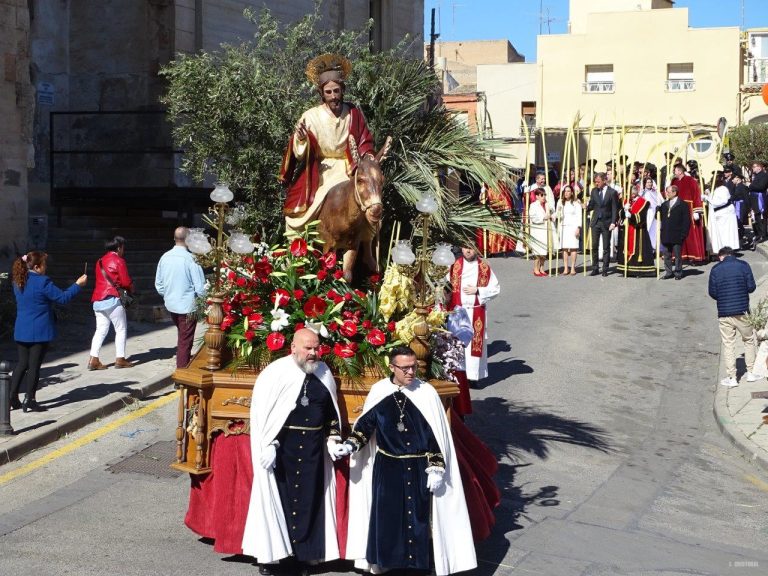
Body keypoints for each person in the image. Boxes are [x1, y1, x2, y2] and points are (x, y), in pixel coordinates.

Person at [340, 346, 476, 576]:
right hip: (388, 468)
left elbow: (436, 436)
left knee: (418, 518)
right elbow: (365, 427)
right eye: (405, 368)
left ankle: (416, 567)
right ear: (391, 367)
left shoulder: (426, 393)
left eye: (413, 367)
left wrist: (436, 468)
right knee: (389, 518)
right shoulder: (380, 391)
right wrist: (350, 445)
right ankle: (387, 563)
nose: (411, 372)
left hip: (418, 468)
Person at [241, 328, 343, 575]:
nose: (313, 353)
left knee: (309, 503)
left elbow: (331, 413)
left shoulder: (324, 372)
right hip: (282, 452)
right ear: (293, 348)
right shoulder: (275, 373)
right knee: (281, 501)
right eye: (308, 348)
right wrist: (270, 445)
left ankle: (304, 556)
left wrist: (333, 438)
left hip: (313, 452)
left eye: (317, 348)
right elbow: (267, 417)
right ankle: (273, 556)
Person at [279, 53, 375, 232]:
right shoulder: (311, 116)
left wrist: (367, 155)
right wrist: (300, 139)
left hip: (350, 167)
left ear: (343, 90)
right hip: (322, 170)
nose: (333, 96)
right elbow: (299, 154)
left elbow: (364, 140)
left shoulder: (353, 113)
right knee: (313, 202)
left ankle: (366, 240)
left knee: (369, 198)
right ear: (321, 94)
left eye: (336, 91)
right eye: (328, 92)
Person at [9, 252, 87, 412]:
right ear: (37, 267)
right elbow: (63, 298)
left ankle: (12, 397)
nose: (46, 268)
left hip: (22, 329)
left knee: (22, 364)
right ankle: (30, 399)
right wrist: (78, 284)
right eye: (44, 265)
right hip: (39, 331)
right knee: (34, 366)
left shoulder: (18, 280)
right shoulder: (43, 282)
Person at [708, 247, 762, 387]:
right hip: (742, 311)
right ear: (733, 255)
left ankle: (732, 378)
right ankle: (750, 373)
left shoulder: (715, 269)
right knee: (749, 340)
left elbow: (712, 292)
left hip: (724, 313)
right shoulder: (743, 266)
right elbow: (751, 287)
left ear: (721, 256)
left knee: (728, 344)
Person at [447, 245, 500, 386]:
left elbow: (495, 288)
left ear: (476, 249)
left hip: (475, 311)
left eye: (471, 248)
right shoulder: (454, 265)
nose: (468, 251)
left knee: (473, 346)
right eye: (465, 248)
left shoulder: (484, 266)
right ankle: (458, 375)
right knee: (458, 343)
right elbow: (444, 284)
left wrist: (478, 290)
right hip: (458, 311)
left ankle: (472, 377)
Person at [155, 227, 206, 368]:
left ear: (174, 238)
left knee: (183, 338)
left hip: (172, 304)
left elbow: (159, 285)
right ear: (188, 240)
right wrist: (205, 304)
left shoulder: (164, 257)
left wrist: (169, 296)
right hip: (187, 306)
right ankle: (181, 373)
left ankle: (184, 366)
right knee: (185, 341)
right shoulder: (191, 259)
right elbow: (201, 288)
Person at [89, 236, 134, 370]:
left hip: (98, 299)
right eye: (122, 247)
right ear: (119, 247)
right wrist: (132, 288)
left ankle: (93, 359)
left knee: (100, 330)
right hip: (113, 299)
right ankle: (120, 359)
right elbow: (125, 282)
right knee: (120, 329)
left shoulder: (99, 261)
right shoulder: (119, 261)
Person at [617, 184, 656, 277]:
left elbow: (642, 217)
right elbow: (620, 214)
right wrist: (623, 210)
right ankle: (627, 269)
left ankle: (639, 271)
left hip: (639, 230)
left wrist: (631, 215)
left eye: (632, 194)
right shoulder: (626, 201)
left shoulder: (644, 202)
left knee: (638, 250)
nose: (631, 196)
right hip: (627, 229)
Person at [586, 172, 620, 276]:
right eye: (595, 182)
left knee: (606, 247)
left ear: (604, 181)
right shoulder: (594, 191)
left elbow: (615, 208)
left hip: (607, 222)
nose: (596, 184)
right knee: (594, 246)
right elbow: (592, 205)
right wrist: (586, 207)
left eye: (598, 182)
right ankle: (595, 268)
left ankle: (605, 268)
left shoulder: (612, 192)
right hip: (596, 222)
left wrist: (613, 222)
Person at [671, 163, 706, 263]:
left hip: (689, 208)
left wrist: (696, 210)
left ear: (680, 171)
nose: (674, 172)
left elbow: (696, 194)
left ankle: (695, 256)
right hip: (677, 209)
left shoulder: (690, 180)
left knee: (691, 233)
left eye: (675, 170)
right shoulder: (674, 181)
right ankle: (681, 256)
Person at [657, 185, 690, 280]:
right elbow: (660, 218)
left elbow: (686, 221)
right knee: (666, 255)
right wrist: (657, 211)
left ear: (674, 192)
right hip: (666, 233)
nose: (666, 193)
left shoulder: (682, 204)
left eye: (668, 192)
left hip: (677, 234)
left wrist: (684, 233)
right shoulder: (664, 204)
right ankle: (668, 272)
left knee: (677, 255)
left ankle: (678, 272)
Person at [703, 172, 739, 256]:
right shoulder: (716, 189)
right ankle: (721, 250)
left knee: (726, 234)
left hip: (725, 214)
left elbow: (722, 201)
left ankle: (727, 251)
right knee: (720, 234)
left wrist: (708, 198)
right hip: (719, 214)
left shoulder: (723, 189)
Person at [555, 184, 582, 275]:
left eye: (568, 191)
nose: (566, 193)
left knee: (573, 248)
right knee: (565, 248)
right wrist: (555, 213)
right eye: (565, 191)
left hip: (573, 227)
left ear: (572, 193)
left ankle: (573, 267)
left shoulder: (576, 203)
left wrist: (578, 227)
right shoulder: (560, 202)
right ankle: (566, 268)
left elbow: (579, 216)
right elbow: (557, 215)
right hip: (564, 227)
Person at [528, 188, 555, 276]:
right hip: (538, 230)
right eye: (541, 195)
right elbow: (533, 218)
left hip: (546, 229)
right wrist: (543, 218)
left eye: (544, 195)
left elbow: (552, 213)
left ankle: (542, 268)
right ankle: (536, 269)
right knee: (538, 252)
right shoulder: (533, 205)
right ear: (537, 196)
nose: (543, 197)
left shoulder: (547, 205)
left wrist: (551, 216)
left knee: (544, 251)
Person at [748, 160, 768, 243]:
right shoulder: (756, 176)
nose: (753, 169)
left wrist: (751, 186)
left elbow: (761, 187)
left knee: (761, 217)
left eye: (754, 167)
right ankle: (759, 234)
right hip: (754, 199)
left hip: (760, 198)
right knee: (756, 217)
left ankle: (763, 235)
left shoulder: (764, 175)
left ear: (759, 167)